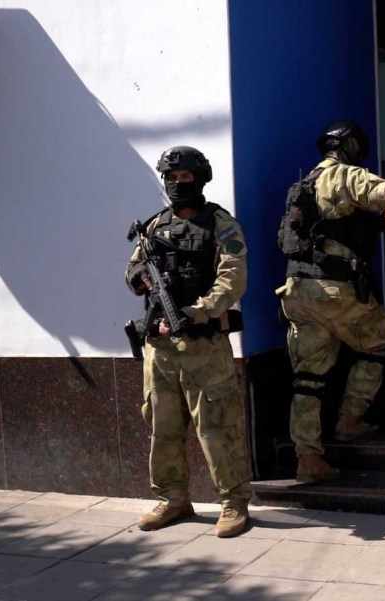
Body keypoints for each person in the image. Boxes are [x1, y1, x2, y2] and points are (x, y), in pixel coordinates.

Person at [277, 121, 385, 482]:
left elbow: (370, 221)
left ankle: (308, 458)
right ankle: (350, 420)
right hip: (334, 289)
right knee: (379, 337)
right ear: (351, 146)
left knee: (308, 378)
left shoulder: (305, 183)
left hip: (297, 291)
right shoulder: (345, 175)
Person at [125, 146, 252, 538]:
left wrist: (198, 311)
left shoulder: (220, 225)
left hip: (203, 346)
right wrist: (139, 278)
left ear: (200, 178)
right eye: (172, 177)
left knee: (217, 427)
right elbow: (132, 270)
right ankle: (173, 498)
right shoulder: (153, 227)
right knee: (162, 428)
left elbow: (233, 278)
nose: (178, 184)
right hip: (160, 348)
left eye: (185, 177)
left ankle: (233, 502)